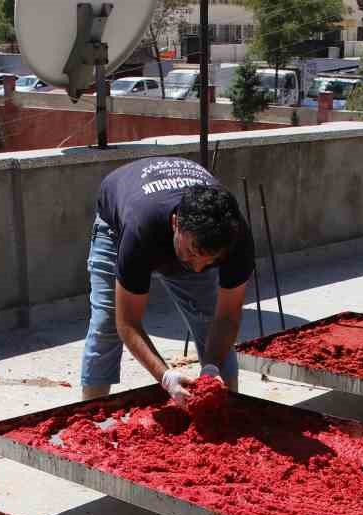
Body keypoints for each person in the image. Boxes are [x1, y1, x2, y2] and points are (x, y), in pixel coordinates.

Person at [81, 156, 254, 404]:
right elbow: (127, 322)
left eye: (210, 260)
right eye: (193, 254)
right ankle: (90, 416)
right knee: (106, 324)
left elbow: (226, 318)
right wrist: (165, 377)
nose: (197, 268)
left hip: (174, 227)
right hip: (116, 225)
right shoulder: (141, 228)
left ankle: (228, 413)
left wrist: (212, 369)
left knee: (209, 322)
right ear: (176, 224)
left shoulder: (235, 239)